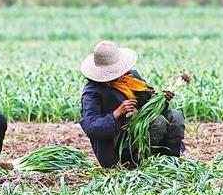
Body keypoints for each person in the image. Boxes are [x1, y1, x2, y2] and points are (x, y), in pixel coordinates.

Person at [79, 40, 185, 168]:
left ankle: (169, 161)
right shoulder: (92, 92)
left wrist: (161, 100)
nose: (117, 75)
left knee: (175, 117)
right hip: (118, 144)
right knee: (158, 122)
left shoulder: (131, 78)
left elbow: (148, 106)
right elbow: (91, 128)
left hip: (144, 129)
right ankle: (140, 164)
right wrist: (116, 114)